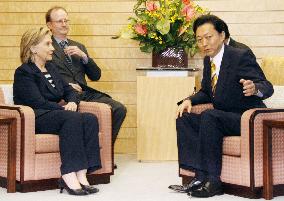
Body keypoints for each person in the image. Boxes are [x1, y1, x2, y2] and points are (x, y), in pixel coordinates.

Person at [169, 14, 273, 198]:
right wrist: (189, 100)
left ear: (222, 35)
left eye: (208, 37)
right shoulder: (209, 60)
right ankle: (197, 176)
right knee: (185, 117)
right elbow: (207, 92)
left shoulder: (240, 55)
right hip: (222, 118)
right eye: (199, 39)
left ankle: (213, 182)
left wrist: (254, 88)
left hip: (246, 117)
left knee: (210, 115)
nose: (204, 43)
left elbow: (267, 87)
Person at [13, 27, 101, 196]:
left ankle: (82, 175)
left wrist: (73, 102)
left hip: (56, 114)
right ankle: (68, 174)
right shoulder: (24, 72)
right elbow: (36, 102)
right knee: (71, 118)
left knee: (90, 118)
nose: (53, 48)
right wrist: (64, 108)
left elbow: (68, 90)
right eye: (48, 44)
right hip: (36, 116)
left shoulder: (51, 68)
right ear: (33, 48)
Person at [45, 7, 127, 158]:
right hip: (64, 95)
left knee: (118, 108)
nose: (64, 24)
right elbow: (43, 74)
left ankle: (106, 155)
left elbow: (96, 76)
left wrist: (84, 57)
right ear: (50, 25)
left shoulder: (79, 46)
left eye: (66, 20)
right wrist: (66, 86)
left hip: (84, 93)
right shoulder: (46, 46)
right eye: (59, 21)